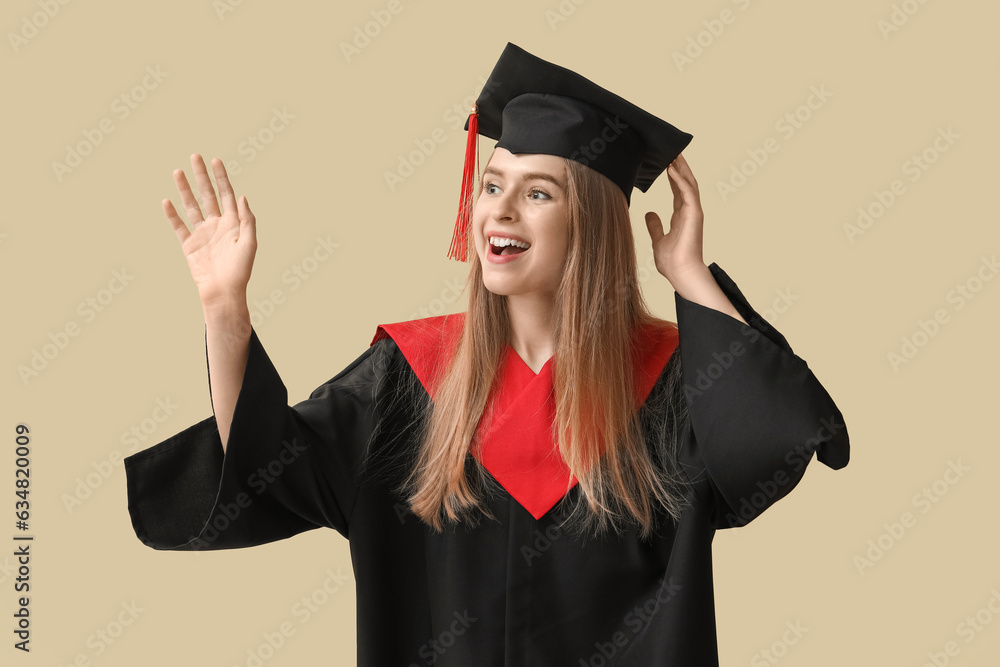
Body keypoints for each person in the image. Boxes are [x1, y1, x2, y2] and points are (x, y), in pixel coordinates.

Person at [124, 42, 849, 666]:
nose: (498, 210)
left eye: (537, 193)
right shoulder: (410, 378)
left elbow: (775, 442)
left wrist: (690, 277)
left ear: (591, 227)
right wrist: (225, 309)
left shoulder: (674, 382)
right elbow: (263, 468)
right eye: (492, 184)